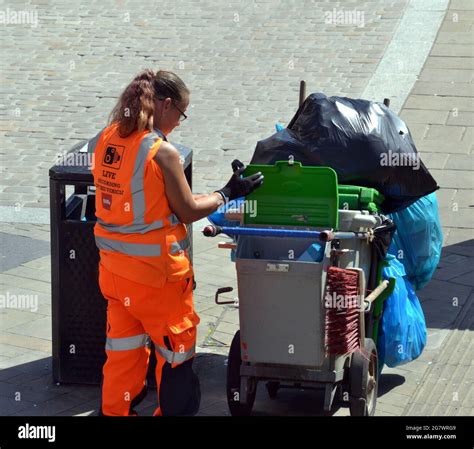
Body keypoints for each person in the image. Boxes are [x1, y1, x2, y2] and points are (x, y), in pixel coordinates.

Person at [88, 69, 263, 416]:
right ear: (165, 105)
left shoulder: (106, 139)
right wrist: (229, 192)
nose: (180, 123)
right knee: (176, 353)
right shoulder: (160, 152)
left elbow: (150, 202)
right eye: (181, 114)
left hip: (113, 273)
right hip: (158, 279)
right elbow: (186, 210)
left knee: (123, 351)